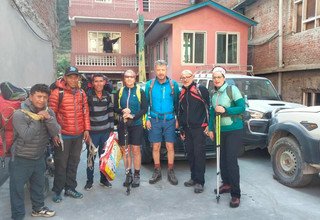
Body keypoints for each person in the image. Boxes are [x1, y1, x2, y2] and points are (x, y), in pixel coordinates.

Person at [10, 84, 60, 219]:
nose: (41, 100)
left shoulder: (49, 112)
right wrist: (38, 118)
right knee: (17, 189)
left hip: (39, 156)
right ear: (31, 97)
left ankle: (38, 209)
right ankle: (18, 215)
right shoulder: (19, 114)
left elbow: (56, 131)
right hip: (21, 158)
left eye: (45, 97)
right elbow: (27, 135)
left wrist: (48, 118)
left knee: (38, 185)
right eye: (38, 96)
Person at [49, 66, 90, 203]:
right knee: (61, 164)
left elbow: (85, 112)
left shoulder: (81, 93)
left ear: (78, 78)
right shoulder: (57, 93)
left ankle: (70, 188)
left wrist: (86, 129)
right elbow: (51, 115)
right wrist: (54, 134)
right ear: (65, 78)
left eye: (75, 77)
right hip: (63, 135)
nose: (73, 79)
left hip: (78, 136)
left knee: (74, 163)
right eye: (70, 76)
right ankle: (57, 190)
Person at [208, 66, 245, 208]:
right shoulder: (214, 93)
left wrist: (226, 110)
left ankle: (236, 194)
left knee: (231, 161)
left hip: (234, 130)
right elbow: (212, 112)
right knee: (221, 159)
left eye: (219, 77)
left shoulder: (232, 90)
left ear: (224, 78)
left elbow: (242, 107)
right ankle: (227, 183)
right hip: (219, 130)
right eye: (214, 77)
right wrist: (211, 129)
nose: (216, 80)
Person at [145, 60, 180, 185]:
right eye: (158, 70)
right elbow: (146, 103)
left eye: (163, 70)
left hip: (170, 119)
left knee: (170, 146)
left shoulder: (173, 84)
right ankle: (157, 170)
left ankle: (171, 171)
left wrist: (178, 119)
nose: (161, 72)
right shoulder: (149, 85)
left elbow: (177, 103)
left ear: (166, 70)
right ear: (155, 70)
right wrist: (146, 118)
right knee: (156, 146)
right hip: (154, 119)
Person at [178, 70, 209, 193]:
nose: (185, 79)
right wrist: (181, 128)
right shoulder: (182, 92)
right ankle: (193, 177)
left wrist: (208, 125)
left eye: (188, 77)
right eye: (183, 77)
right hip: (187, 128)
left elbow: (208, 107)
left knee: (199, 155)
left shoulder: (201, 89)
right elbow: (180, 111)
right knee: (190, 154)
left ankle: (200, 182)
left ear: (193, 77)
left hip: (199, 128)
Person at [114, 69, 147, 188]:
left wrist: (132, 115)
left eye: (131, 77)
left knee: (136, 150)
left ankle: (137, 175)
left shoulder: (140, 91)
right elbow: (114, 108)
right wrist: (123, 111)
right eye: (127, 77)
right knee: (125, 151)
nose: (129, 79)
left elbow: (144, 109)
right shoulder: (120, 91)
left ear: (135, 78)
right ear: (124, 78)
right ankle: (128, 174)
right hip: (123, 125)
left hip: (136, 125)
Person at [84, 74, 114, 190]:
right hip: (93, 133)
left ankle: (103, 180)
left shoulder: (107, 95)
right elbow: (85, 114)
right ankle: (89, 181)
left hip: (105, 132)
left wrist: (111, 130)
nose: (99, 83)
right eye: (96, 81)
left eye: (101, 81)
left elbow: (110, 112)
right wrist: (86, 131)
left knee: (104, 158)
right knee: (91, 158)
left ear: (104, 82)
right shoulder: (88, 96)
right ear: (93, 83)